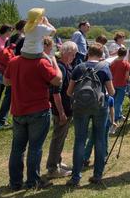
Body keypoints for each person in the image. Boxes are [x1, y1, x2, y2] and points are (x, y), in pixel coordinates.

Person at [4, 37, 62, 191]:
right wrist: (53, 61)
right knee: (35, 148)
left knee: (17, 148)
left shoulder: (14, 61)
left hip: (18, 111)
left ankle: (15, 182)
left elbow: (6, 81)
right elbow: (57, 80)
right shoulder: (42, 63)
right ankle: (33, 182)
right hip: (39, 111)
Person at [67, 43, 114, 186]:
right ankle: (97, 175)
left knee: (80, 140)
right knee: (100, 139)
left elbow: (69, 92)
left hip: (80, 108)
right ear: (101, 55)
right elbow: (111, 92)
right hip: (100, 107)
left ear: (88, 52)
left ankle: (75, 177)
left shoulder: (78, 67)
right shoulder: (105, 68)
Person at [46, 41, 77, 179]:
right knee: (58, 139)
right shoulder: (61, 68)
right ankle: (52, 169)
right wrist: (61, 112)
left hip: (67, 108)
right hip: (62, 110)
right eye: (73, 54)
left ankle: (57, 162)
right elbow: (56, 93)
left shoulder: (66, 66)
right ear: (67, 53)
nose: (75, 56)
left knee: (61, 137)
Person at [110, 46, 130, 124]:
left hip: (112, 84)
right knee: (119, 102)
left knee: (113, 101)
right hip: (122, 85)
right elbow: (127, 77)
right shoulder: (126, 63)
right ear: (125, 54)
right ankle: (115, 119)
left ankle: (118, 115)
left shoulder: (112, 63)